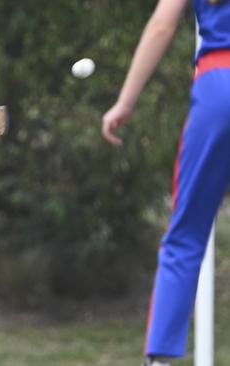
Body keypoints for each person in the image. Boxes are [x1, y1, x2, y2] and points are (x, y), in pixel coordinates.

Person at [101, 1, 230, 365]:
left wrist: (125, 102)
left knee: (186, 234)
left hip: (220, 85)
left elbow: (162, 25)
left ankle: (159, 361)